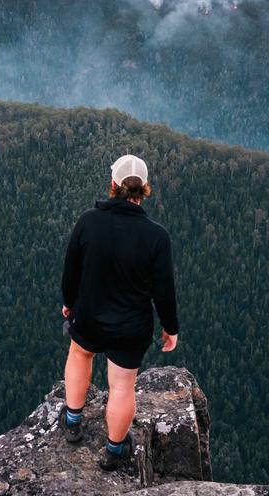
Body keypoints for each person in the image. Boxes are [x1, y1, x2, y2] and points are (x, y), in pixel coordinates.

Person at [59, 153, 179, 471]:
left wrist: (70, 303)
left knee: (80, 354)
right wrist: (170, 327)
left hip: (89, 315)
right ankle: (114, 451)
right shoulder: (156, 236)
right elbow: (163, 290)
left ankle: (72, 421)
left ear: (113, 184)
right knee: (122, 385)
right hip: (130, 326)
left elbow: (71, 270)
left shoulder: (89, 221)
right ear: (144, 189)